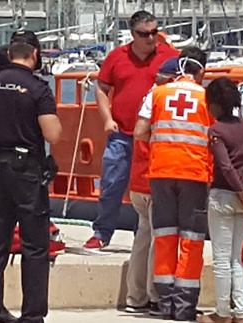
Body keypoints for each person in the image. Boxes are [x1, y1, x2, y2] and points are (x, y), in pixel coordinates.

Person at [0, 30, 62, 323]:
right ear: (34, 55)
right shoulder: (37, 88)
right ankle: (32, 314)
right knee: (34, 245)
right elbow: (52, 134)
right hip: (26, 172)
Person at [84, 10, 179, 250]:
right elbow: (102, 88)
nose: (151, 38)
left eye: (154, 32)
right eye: (144, 34)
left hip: (156, 137)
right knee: (111, 183)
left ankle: (144, 233)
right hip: (121, 134)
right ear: (132, 34)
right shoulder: (117, 57)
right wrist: (107, 119)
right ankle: (102, 232)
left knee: (151, 189)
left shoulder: (169, 57)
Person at [134, 47, 210, 321]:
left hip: (161, 173)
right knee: (192, 239)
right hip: (194, 173)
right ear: (201, 70)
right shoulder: (206, 96)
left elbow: (140, 131)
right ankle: (185, 307)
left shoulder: (157, 93)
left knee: (164, 236)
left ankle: (164, 303)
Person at [197, 77, 243, 323]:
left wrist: (238, 190)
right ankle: (241, 312)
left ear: (213, 104)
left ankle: (222, 313)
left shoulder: (216, 130)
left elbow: (224, 165)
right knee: (237, 258)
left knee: (222, 259)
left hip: (223, 195)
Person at [125, 57, 180, 314]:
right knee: (160, 239)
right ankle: (155, 295)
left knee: (143, 238)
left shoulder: (149, 98)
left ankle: (135, 297)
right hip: (155, 178)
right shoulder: (164, 100)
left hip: (138, 179)